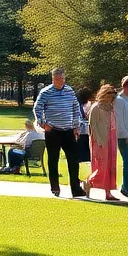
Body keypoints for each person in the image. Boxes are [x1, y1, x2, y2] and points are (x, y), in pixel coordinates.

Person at [32, 67, 83, 197]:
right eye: (57, 78)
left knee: (73, 160)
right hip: (53, 131)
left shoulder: (69, 91)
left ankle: (75, 189)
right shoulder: (46, 92)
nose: (60, 81)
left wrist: (77, 126)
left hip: (68, 130)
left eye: (62, 78)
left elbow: (76, 108)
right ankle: (55, 187)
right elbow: (37, 108)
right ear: (53, 79)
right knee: (53, 160)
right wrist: (43, 123)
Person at [84, 84, 119, 200]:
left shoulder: (110, 107)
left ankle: (108, 192)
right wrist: (99, 141)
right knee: (101, 166)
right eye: (110, 94)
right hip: (100, 140)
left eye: (113, 94)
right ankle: (89, 182)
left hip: (111, 137)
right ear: (104, 94)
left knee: (110, 166)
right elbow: (92, 126)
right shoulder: (96, 107)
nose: (112, 97)